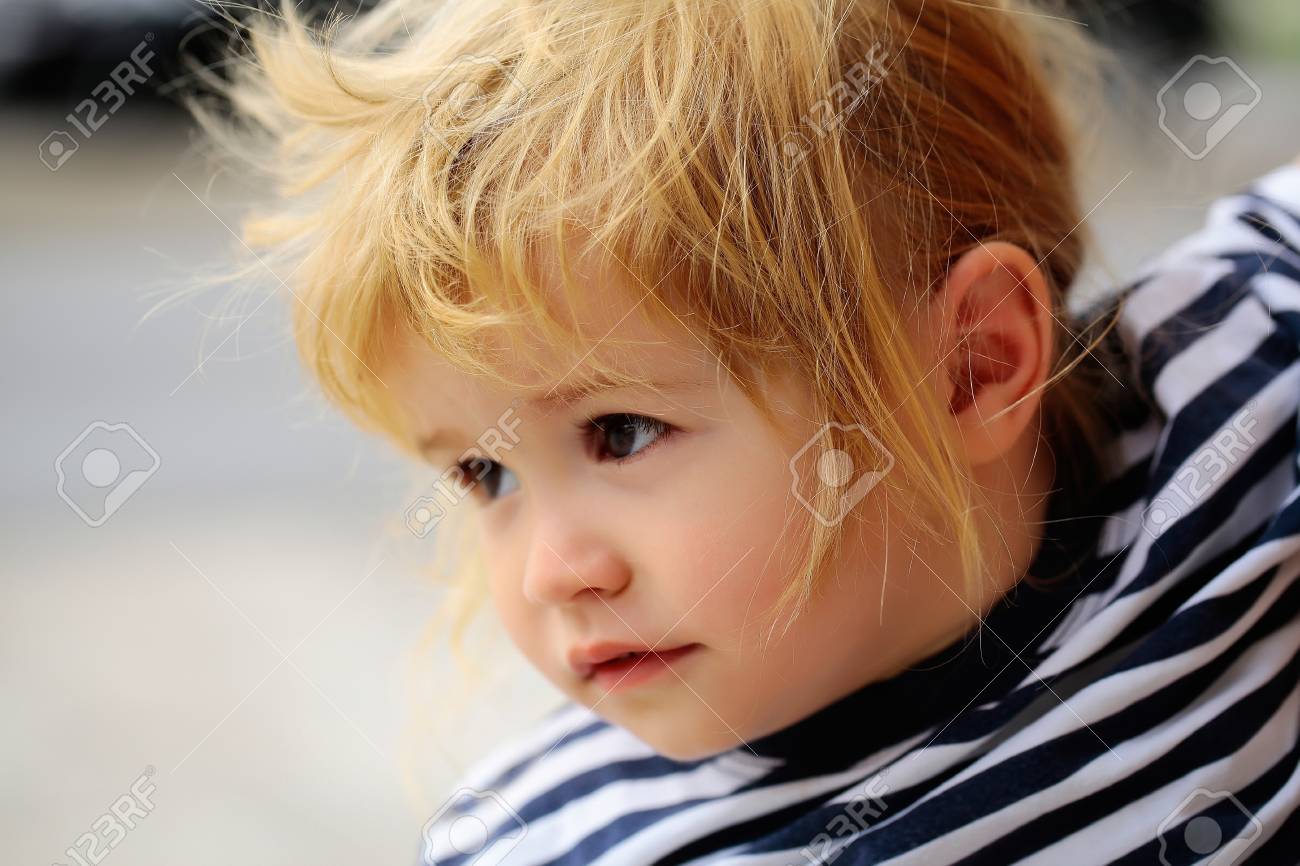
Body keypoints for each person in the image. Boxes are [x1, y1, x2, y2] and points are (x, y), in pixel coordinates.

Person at [185, 0, 1300, 861]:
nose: (551, 572)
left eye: (622, 432)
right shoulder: (570, 844)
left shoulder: (1245, 360)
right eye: (486, 473)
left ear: (971, 366)